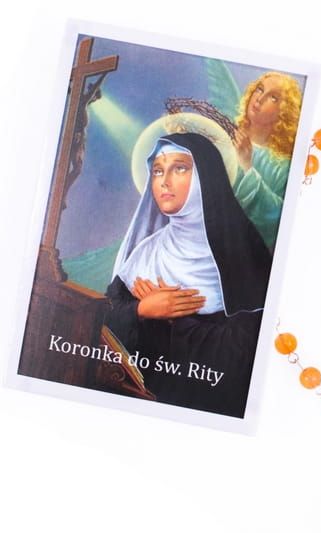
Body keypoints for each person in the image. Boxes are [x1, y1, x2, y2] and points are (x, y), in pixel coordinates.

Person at [105, 132, 272, 418]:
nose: (164, 181)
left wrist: (173, 318)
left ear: (206, 177)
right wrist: (141, 310)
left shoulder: (244, 253)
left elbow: (248, 353)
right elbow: (104, 322)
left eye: (179, 168)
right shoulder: (147, 252)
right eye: (158, 171)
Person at [206, 62, 303, 252]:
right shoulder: (226, 132)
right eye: (260, 89)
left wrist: (247, 166)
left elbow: (275, 217)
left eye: (273, 97)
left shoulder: (282, 166)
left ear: (285, 112)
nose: (260, 98)